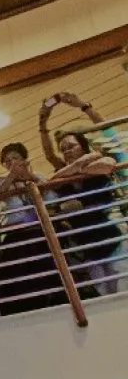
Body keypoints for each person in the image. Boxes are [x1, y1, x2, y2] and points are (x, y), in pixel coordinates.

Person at [40, 91, 125, 296]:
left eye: (72, 146)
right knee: (105, 298)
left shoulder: (98, 160)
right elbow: (49, 155)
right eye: (63, 149)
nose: (67, 151)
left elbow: (107, 134)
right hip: (88, 246)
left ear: (83, 147)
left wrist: (83, 106)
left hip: (114, 236)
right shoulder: (64, 174)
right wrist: (42, 122)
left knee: (124, 290)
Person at [0, 138, 66, 313]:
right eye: (7, 161)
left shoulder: (38, 176)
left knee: (50, 270)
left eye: (15, 158)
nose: (11, 163)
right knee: (22, 277)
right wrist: (10, 178)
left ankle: (57, 301)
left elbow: (53, 200)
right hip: (17, 236)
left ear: (24, 159)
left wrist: (31, 178)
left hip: (42, 232)